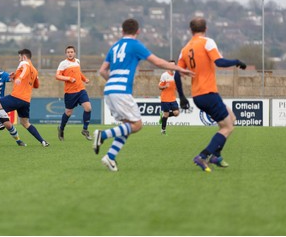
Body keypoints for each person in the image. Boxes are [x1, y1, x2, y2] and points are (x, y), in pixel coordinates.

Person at [93, 18, 193, 171]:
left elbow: (102, 71)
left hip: (109, 90)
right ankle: (103, 135)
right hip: (121, 92)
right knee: (137, 125)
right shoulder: (134, 45)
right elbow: (158, 62)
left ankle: (110, 157)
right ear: (138, 31)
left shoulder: (114, 46)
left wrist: (113, 81)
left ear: (122, 31)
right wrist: (179, 68)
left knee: (128, 126)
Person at [177, 16, 246, 172]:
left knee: (231, 119)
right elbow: (219, 62)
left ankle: (216, 156)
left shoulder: (185, 49)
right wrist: (237, 61)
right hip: (208, 93)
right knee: (228, 127)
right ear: (206, 29)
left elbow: (177, 73)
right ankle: (203, 156)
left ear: (190, 30)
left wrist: (181, 96)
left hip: (199, 96)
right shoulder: (207, 42)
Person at [0, 49, 50, 147]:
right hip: (26, 101)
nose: (19, 60)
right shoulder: (35, 70)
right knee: (25, 123)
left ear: (24, 57)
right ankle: (43, 141)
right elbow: (36, 85)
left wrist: (20, 78)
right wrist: (16, 77)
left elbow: (25, 68)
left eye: (19, 57)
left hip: (16, 97)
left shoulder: (24, 63)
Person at [55, 45, 92, 141]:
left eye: (71, 52)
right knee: (68, 112)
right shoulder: (63, 64)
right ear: (66, 54)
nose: (70, 54)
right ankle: (61, 129)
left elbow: (79, 73)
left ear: (74, 53)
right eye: (68, 52)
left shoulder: (77, 61)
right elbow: (57, 76)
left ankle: (85, 129)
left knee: (88, 108)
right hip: (70, 93)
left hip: (80, 90)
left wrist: (84, 79)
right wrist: (69, 78)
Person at [158, 60, 183, 135]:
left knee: (176, 113)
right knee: (166, 115)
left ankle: (164, 116)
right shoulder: (164, 75)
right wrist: (165, 86)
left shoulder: (176, 75)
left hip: (173, 99)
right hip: (165, 99)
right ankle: (163, 130)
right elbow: (159, 86)